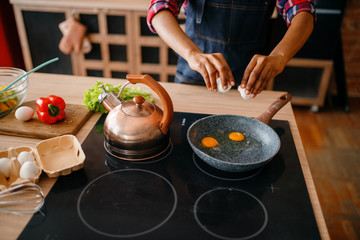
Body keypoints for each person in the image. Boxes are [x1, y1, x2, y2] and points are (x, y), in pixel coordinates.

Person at [147, 0, 316, 98]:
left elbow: (303, 11)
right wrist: (192, 54)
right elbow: (159, 8)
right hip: (192, 76)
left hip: (252, 81)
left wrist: (280, 56)